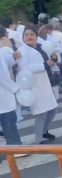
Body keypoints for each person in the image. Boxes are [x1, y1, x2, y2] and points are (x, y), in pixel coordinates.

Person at [17, 26, 58, 144]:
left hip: (45, 83)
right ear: (23, 37)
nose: (29, 37)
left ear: (36, 36)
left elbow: (51, 59)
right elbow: (25, 67)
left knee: (53, 109)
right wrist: (44, 65)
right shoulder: (22, 51)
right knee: (41, 113)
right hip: (33, 86)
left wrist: (54, 59)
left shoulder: (40, 47)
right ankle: (38, 139)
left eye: (32, 34)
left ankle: (44, 131)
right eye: (26, 35)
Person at [0, 27, 27, 157]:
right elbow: (2, 74)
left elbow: (5, 64)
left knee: (8, 120)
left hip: (3, 94)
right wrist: (15, 88)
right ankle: (15, 149)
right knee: (8, 120)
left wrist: (12, 56)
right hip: (3, 94)